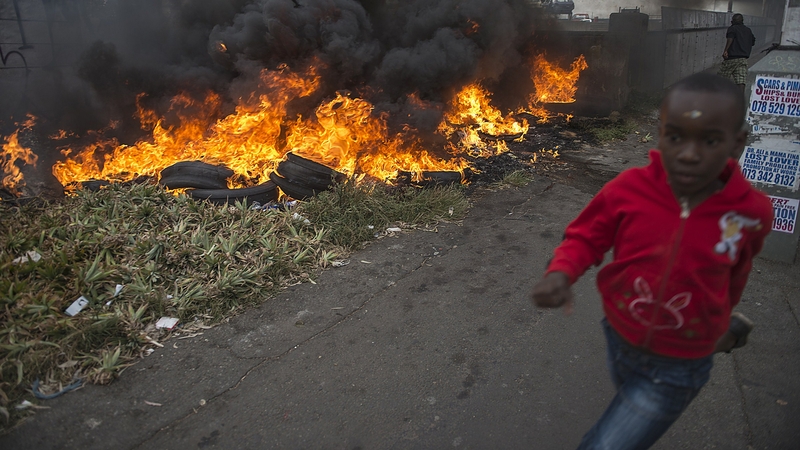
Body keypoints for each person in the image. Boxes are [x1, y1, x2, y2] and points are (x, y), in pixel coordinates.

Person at [530, 72, 773, 450]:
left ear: (736, 143)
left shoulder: (751, 212)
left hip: (679, 365)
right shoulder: (628, 189)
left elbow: (738, 271)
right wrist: (561, 272)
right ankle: (725, 337)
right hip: (619, 333)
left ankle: (717, 336)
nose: (689, 154)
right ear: (660, 133)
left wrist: (717, 316)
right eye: (675, 136)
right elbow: (586, 236)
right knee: (627, 398)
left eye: (710, 140)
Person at [718, 13, 756, 91]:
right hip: (743, 59)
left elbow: (730, 39)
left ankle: (718, 96)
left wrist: (726, 50)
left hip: (731, 58)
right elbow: (753, 42)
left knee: (720, 79)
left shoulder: (732, 28)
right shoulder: (748, 30)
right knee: (741, 81)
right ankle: (740, 99)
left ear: (733, 21)